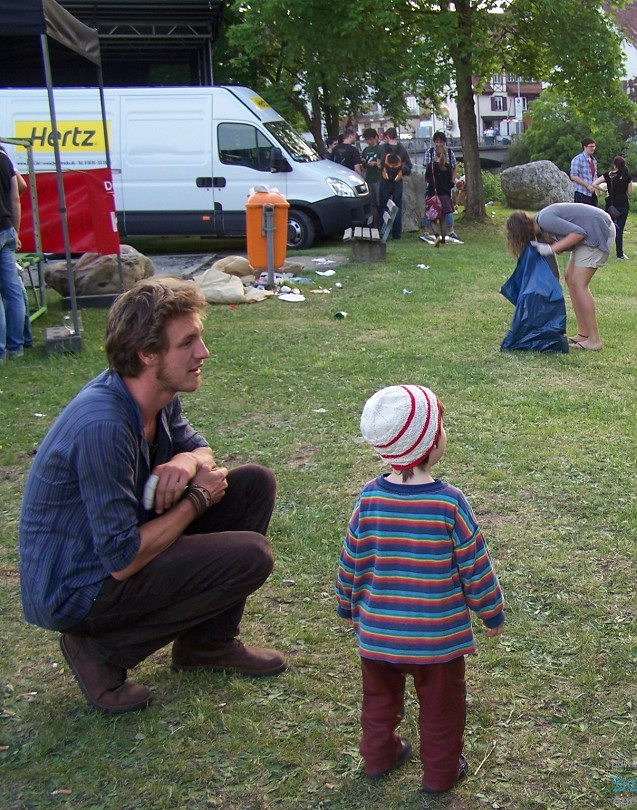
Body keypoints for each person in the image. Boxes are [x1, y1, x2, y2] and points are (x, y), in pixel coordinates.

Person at [19, 278, 285, 713]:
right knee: (251, 555)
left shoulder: (157, 395)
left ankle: (207, 644)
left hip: (114, 553)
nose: (203, 353)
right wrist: (195, 499)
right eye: (188, 343)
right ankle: (102, 652)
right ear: (147, 354)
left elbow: (199, 448)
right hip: (79, 587)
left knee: (253, 484)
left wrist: (186, 461)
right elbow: (122, 560)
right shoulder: (103, 426)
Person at [336, 384, 505, 794]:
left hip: (377, 637)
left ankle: (378, 756)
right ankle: (441, 773)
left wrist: (346, 604)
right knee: (442, 710)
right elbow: (474, 564)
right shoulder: (448, 503)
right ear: (431, 442)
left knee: (379, 703)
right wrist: (491, 610)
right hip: (437, 643)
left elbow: (351, 558)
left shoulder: (369, 499)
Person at [506, 203, 614, 351]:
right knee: (570, 278)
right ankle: (584, 334)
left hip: (599, 229)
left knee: (579, 283)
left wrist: (551, 248)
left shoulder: (544, 219)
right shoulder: (540, 234)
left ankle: (594, 340)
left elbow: (579, 233)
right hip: (590, 234)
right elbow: (552, 273)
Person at [1, 143, 28, 362]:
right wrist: (16, 232)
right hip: (8, 228)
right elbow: (19, 191)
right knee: (12, 290)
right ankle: (15, 347)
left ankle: (0, 351)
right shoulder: (4, 158)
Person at [420, 133, 461, 244]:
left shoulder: (431, 166)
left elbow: (427, 177)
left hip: (433, 192)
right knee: (444, 215)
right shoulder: (447, 167)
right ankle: (444, 237)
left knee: (431, 215)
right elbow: (451, 179)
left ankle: (435, 235)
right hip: (445, 194)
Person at [377, 127, 412, 241]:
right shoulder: (402, 149)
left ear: (387, 137)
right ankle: (396, 234)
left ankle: (383, 231)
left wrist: (383, 170)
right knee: (397, 207)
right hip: (398, 181)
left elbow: (378, 164)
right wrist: (401, 172)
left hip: (384, 181)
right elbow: (409, 166)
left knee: (383, 206)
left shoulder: (381, 148)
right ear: (396, 136)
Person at [598, 156, 633, 260]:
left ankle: (602, 249)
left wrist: (604, 191)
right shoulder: (627, 176)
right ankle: (619, 254)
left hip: (611, 205)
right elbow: (630, 193)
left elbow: (594, 183)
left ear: (614, 165)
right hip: (622, 205)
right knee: (619, 229)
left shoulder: (608, 175)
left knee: (607, 227)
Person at [361, 128, 382, 227]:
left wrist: (376, 163)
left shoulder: (380, 149)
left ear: (376, 138)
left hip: (379, 179)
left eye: (370, 139)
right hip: (369, 179)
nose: (369, 142)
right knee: (372, 204)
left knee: (379, 203)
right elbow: (364, 166)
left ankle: (381, 224)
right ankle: (374, 224)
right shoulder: (365, 150)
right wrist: (364, 163)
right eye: (367, 140)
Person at [569, 138, 599, 206]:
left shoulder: (594, 161)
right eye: (591, 147)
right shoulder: (577, 159)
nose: (593, 148)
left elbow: (594, 176)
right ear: (585, 147)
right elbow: (573, 176)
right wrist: (587, 185)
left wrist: (598, 187)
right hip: (582, 192)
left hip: (593, 193)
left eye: (594, 146)